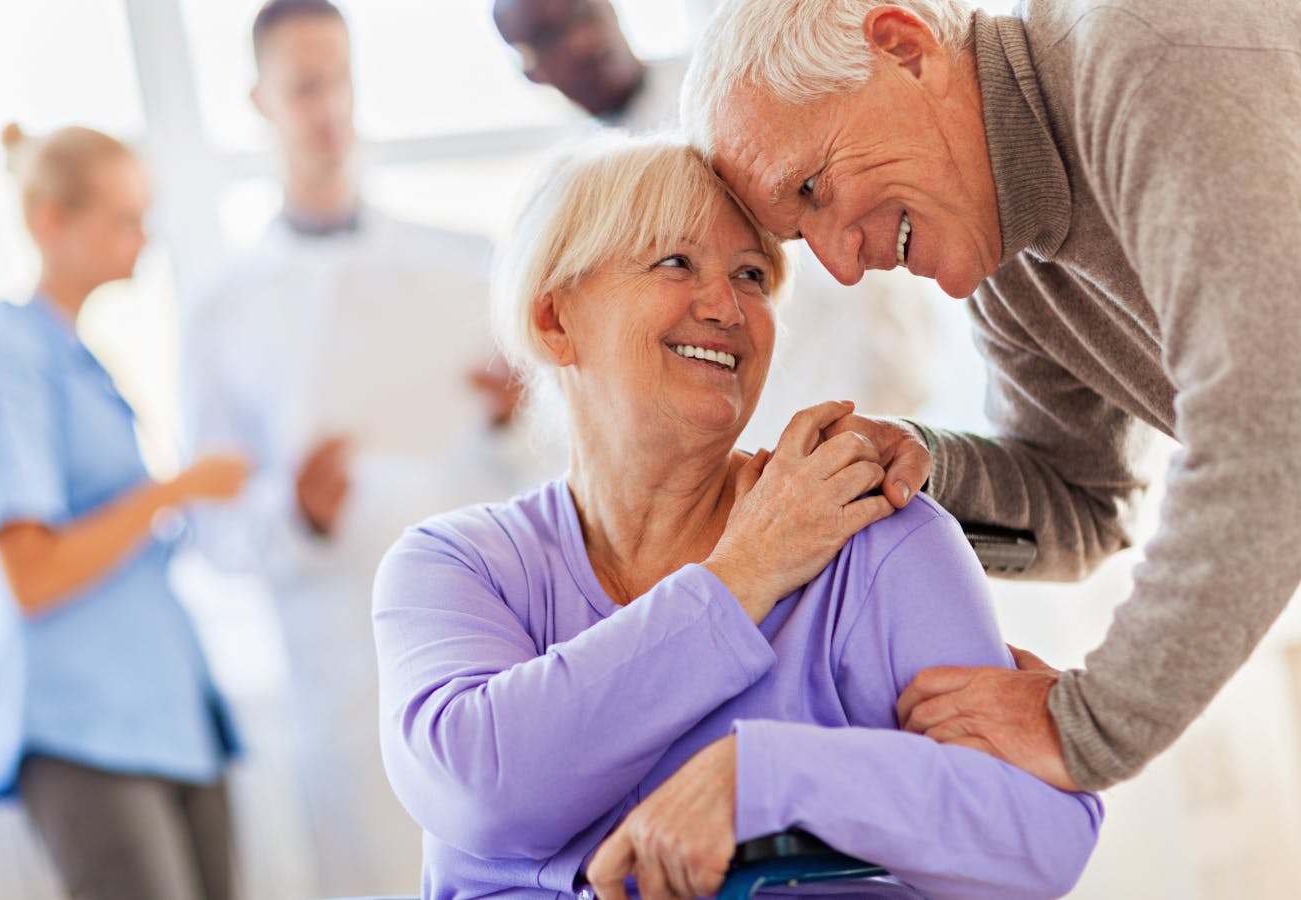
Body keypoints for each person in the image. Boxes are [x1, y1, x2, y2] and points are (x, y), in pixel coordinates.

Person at [373, 136, 1102, 900]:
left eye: (751, 275)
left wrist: (770, 777)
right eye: (674, 262)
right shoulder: (456, 566)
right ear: (555, 320)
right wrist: (743, 574)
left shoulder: (876, 542)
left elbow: (1040, 840)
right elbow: (483, 790)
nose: (726, 307)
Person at [679, 0, 1301, 796]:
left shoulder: (1147, 47)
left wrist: (1091, 725)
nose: (841, 263)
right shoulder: (1014, 273)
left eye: (813, 187)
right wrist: (917, 466)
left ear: (904, 48)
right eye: (802, 234)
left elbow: (1269, 426)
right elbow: (1088, 508)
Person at [180, 0, 546, 893]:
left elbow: (555, 471)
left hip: (485, 637)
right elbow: (212, 530)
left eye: (338, 81)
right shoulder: (224, 311)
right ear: (260, 101)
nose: (329, 110)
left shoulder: (462, 266)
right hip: (340, 672)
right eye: (304, 88)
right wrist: (294, 513)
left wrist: (512, 417)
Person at [0, 123, 247, 900]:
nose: (145, 238)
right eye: (124, 218)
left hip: (168, 715)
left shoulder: (80, 364)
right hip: (83, 725)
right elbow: (31, 575)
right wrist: (173, 491)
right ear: (51, 223)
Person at [490, 0, 938, 448]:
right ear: (530, 71)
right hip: (750, 413)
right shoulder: (574, 193)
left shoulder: (730, 87)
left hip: (857, 349)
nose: (582, 42)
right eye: (549, 37)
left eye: (582, 16)